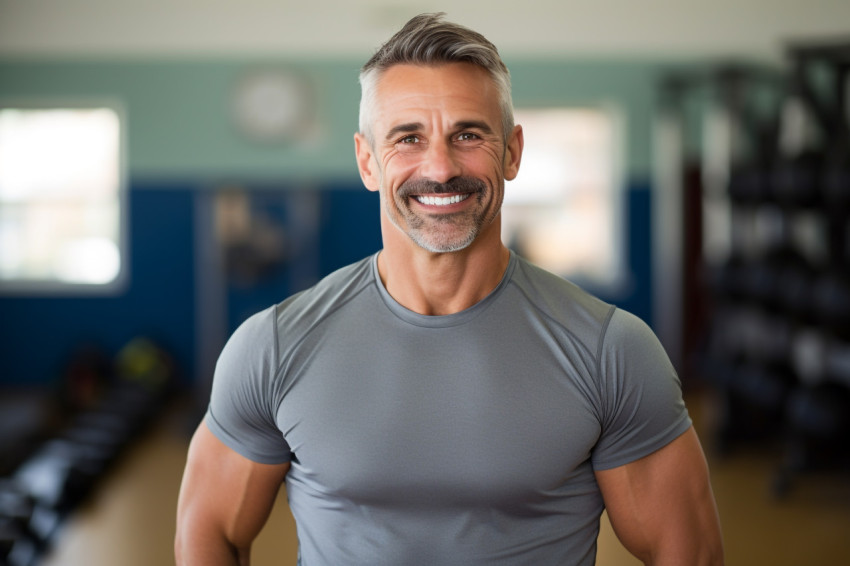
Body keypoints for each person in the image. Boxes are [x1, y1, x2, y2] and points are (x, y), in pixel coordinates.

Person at [176, 12, 724, 566]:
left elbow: (686, 551)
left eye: (467, 135)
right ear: (367, 161)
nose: (439, 168)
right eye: (408, 138)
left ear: (511, 152)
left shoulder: (610, 350)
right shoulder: (273, 346)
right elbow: (209, 529)